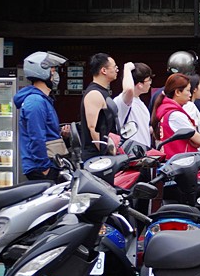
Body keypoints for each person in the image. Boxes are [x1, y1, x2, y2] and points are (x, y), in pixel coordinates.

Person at [14, 51, 67, 182]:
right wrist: (44, 167)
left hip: (47, 162)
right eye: (53, 70)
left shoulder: (42, 99)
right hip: (41, 167)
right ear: (41, 71)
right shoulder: (36, 102)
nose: (55, 75)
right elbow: (36, 136)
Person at [150, 73, 200, 157]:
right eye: (187, 90)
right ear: (178, 92)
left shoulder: (166, 110)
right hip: (182, 163)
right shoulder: (175, 115)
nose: (190, 95)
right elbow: (199, 139)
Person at [80, 53, 120, 162]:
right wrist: (106, 155)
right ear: (104, 70)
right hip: (96, 159)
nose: (117, 70)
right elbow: (93, 129)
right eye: (114, 67)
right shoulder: (94, 94)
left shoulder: (102, 92)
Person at [113, 62, 153, 149]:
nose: (150, 83)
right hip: (130, 155)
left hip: (142, 155)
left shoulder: (140, 102)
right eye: (148, 80)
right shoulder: (123, 101)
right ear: (140, 84)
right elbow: (129, 89)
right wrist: (127, 68)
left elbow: (142, 129)